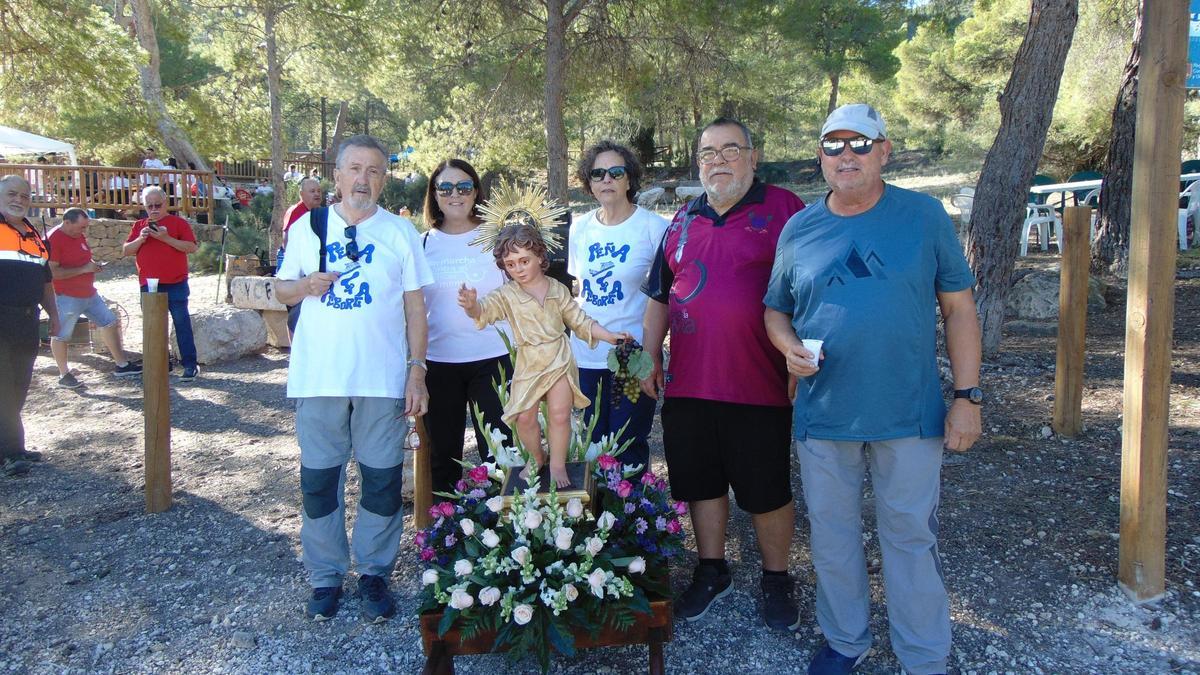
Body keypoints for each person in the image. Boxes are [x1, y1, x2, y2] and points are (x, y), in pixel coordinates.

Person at [763, 104, 982, 675]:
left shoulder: (923, 216)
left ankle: (924, 655)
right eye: (832, 145)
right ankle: (846, 641)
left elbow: (959, 309)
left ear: (884, 150)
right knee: (832, 538)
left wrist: (967, 396)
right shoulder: (800, 228)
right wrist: (788, 348)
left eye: (860, 143)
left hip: (908, 411)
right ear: (820, 158)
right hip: (823, 413)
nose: (846, 156)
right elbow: (775, 312)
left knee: (909, 537)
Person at [641, 117, 806, 630]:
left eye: (731, 149)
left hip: (759, 382)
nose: (718, 160)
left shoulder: (785, 210)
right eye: (708, 152)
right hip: (690, 383)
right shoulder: (682, 218)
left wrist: (804, 360)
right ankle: (713, 570)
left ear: (753, 157)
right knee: (700, 483)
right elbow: (659, 295)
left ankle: (777, 578)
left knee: (766, 488)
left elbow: (812, 289)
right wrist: (650, 355)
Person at [274, 134, 432, 623]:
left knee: (382, 481)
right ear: (336, 176)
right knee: (320, 480)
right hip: (319, 377)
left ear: (384, 180)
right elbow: (281, 291)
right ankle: (325, 577)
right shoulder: (307, 227)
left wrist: (417, 370)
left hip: (381, 379)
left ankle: (373, 573)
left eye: (375, 171)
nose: (363, 179)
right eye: (355, 169)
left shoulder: (400, 233)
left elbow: (415, 308)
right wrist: (304, 286)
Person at [458, 223, 629, 489]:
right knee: (524, 417)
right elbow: (484, 311)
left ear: (540, 256)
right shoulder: (506, 295)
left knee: (560, 414)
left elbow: (579, 320)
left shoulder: (557, 290)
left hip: (558, 357)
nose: (518, 269)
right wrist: (472, 307)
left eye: (524, 261)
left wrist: (608, 336)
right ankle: (538, 457)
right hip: (529, 362)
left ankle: (558, 464)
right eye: (510, 264)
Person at [568, 141, 667, 477]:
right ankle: (597, 527)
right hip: (585, 354)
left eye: (616, 172)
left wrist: (653, 357)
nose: (606, 179)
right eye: (597, 173)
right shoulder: (580, 228)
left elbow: (664, 297)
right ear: (589, 181)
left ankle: (633, 523)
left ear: (629, 179)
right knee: (592, 447)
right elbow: (578, 289)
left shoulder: (654, 228)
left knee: (627, 447)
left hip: (632, 355)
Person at [420, 159, 513, 497]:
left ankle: (502, 535)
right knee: (443, 456)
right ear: (434, 194)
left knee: (500, 453)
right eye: (445, 187)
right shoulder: (422, 244)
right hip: (438, 361)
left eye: (463, 187)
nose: (454, 194)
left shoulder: (497, 238)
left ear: (476, 191)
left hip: (493, 358)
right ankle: (447, 535)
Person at [0, 175, 57, 476]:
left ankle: (11, 446)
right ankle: (11, 452)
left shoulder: (33, 234)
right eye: (12, 194)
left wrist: (56, 316)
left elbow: (45, 279)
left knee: (20, 385)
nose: (19, 200)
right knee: (3, 387)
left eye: (24, 195)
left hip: (27, 319)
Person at [47, 208, 142, 387]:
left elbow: (82, 259)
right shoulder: (54, 239)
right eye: (81, 227)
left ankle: (121, 365)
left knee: (109, 321)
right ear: (67, 223)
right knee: (61, 334)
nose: (84, 231)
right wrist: (83, 270)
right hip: (66, 295)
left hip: (89, 292)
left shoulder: (77, 235)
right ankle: (64, 374)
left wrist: (93, 266)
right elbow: (52, 272)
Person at [122, 186, 200, 381]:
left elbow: (191, 247)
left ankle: (190, 365)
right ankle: (161, 363)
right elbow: (126, 250)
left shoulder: (178, 223)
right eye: (150, 206)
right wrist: (141, 238)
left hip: (176, 282)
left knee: (181, 323)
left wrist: (166, 238)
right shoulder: (139, 225)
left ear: (165, 203)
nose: (154, 209)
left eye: (158, 205)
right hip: (149, 284)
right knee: (154, 326)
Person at [281, 177, 324, 249]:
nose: (317, 194)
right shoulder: (295, 212)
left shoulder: (321, 211)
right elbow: (287, 241)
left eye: (319, 191)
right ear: (301, 194)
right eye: (312, 191)